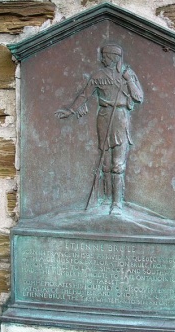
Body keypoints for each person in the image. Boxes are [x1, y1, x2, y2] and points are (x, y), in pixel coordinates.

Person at [55, 44, 144, 215]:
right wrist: (71, 111)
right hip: (103, 117)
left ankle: (117, 204)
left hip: (120, 118)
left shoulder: (128, 74)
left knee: (117, 164)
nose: (101, 59)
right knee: (105, 162)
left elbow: (138, 97)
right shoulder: (98, 75)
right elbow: (84, 95)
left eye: (104, 56)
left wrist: (129, 79)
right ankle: (105, 199)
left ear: (112, 57)